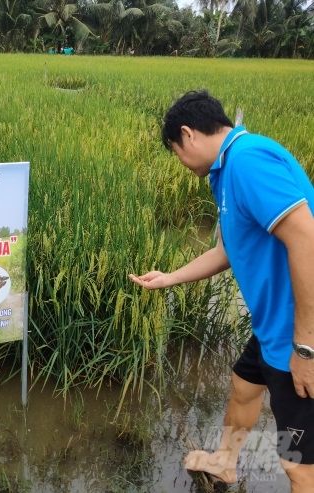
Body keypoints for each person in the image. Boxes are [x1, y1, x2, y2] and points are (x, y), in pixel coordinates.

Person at [129, 90, 314, 492]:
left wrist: (305, 347)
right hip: (273, 323)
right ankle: (225, 463)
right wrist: (169, 278)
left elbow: (305, 238)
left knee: (298, 465)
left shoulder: (248, 161)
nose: (180, 161)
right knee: (244, 389)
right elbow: (227, 250)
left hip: (296, 330)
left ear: (188, 135)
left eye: (176, 151)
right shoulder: (224, 171)